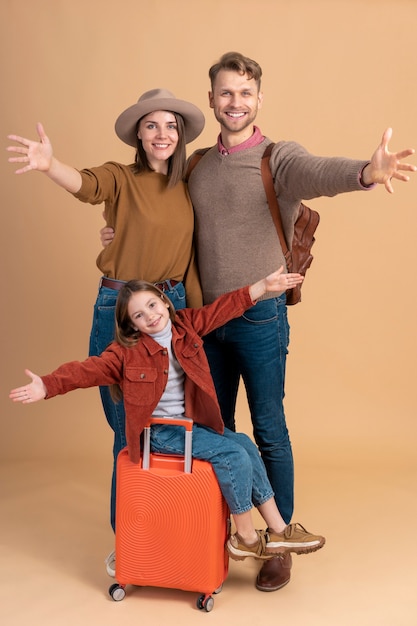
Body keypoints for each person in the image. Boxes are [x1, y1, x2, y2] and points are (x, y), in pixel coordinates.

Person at [99, 51, 417, 592]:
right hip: (200, 322)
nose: (235, 102)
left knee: (268, 428)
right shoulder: (196, 164)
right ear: (211, 101)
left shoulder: (278, 157)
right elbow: (156, 213)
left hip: (260, 315)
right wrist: (116, 236)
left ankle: (278, 540)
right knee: (213, 431)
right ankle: (220, 527)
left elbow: (319, 172)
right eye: (226, 93)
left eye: (245, 93)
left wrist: (366, 173)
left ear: (259, 100)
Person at [9, 266, 326, 566]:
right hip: (160, 433)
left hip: (188, 426)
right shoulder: (124, 353)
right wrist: (47, 385)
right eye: (139, 315)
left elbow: (224, 308)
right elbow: (85, 371)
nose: (150, 315)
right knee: (234, 455)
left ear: (164, 301)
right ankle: (244, 537)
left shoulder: (185, 326)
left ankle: (279, 531)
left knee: (243, 443)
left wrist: (263, 287)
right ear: (132, 325)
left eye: (152, 304)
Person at [6, 89, 205, 556]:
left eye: (171, 126)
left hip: (173, 309)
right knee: (130, 429)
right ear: (138, 132)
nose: (163, 134)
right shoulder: (121, 177)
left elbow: (190, 255)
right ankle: (132, 543)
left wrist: (193, 322)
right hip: (123, 312)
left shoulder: (188, 184)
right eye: (152, 125)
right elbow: (86, 185)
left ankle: (171, 534)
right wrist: (50, 165)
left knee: (177, 426)